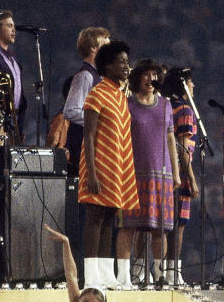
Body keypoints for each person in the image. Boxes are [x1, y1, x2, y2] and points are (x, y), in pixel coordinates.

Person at [114, 60, 178, 288]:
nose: (150, 79)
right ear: (137, 77)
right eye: (145, 74)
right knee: (128, 226)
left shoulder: (166, 105)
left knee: (160, 228)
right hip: (133, 174)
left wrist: (176, 173)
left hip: (162, 175)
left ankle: (159, 274)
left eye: (154, 74)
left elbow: (171, 140)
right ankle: (124, 275)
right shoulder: (127, 104)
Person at [78, 40, 136, 289]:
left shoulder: (121, 96)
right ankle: (91, 275)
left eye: (126, 61)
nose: (126, 66)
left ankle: (105, 273)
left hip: (117, 167)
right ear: (107, 65)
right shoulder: (97, 93)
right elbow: (88, 135)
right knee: (95, 218)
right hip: (98, 165)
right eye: (120, 62)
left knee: (110, 218)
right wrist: (91, 172)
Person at [163, 67, 200, 286]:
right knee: (179, 225)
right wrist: (192, 178)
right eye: (190, 81)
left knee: (168, 224)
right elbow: (183, 149)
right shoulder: (185, 110)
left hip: (166, 170)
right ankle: (173, 272)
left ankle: (163, 270)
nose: (194, 85)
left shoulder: (168, 107)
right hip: (181, 172)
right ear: (183, 85)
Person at [63, 27, 110, 173]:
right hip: (82, 149)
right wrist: (101, 121)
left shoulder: (97, 76)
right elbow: (70, 111)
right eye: (106, 47)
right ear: (93, 49)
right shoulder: (85, 76)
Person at [0, 10, 28, 143]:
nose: (14, 29)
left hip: (14, 124)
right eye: (9, 26)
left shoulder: (13, 60)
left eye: (13, 26)